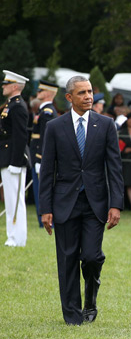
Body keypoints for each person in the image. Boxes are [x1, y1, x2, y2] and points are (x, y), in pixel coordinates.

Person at [39, 76, 124, 325]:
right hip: (64, 203)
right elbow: (46, 170)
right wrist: (45, 208)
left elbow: (114, 168)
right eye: (82, 93)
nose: (88, 97)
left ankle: (90, 300)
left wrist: (116, 204)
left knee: (90, 256)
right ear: (69, 98)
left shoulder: (106, 125)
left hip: (95, 203)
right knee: (66, 260)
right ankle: (72, 315)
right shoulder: (55, 127)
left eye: (90, 92)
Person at [0, 70, 30, 247]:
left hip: (14, 159)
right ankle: (12, 236)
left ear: (15, 86)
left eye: (6, 84)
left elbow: (20, 136)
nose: (3, 86)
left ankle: (18, 239)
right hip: (7, 156)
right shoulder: (10, 104)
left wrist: (16, 162)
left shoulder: (18, 106)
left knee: (15, 200)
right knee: (10, 201)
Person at [30, 80, 59, 228]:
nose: (38, 93)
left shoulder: (47, 112)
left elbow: (45, 139)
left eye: (40, 91)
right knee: (38, 190)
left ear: (48, 93)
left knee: (42, 190)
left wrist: (40, 159)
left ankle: (46, 220)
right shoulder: (43, 111)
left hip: (40, 158)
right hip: (36, 157)